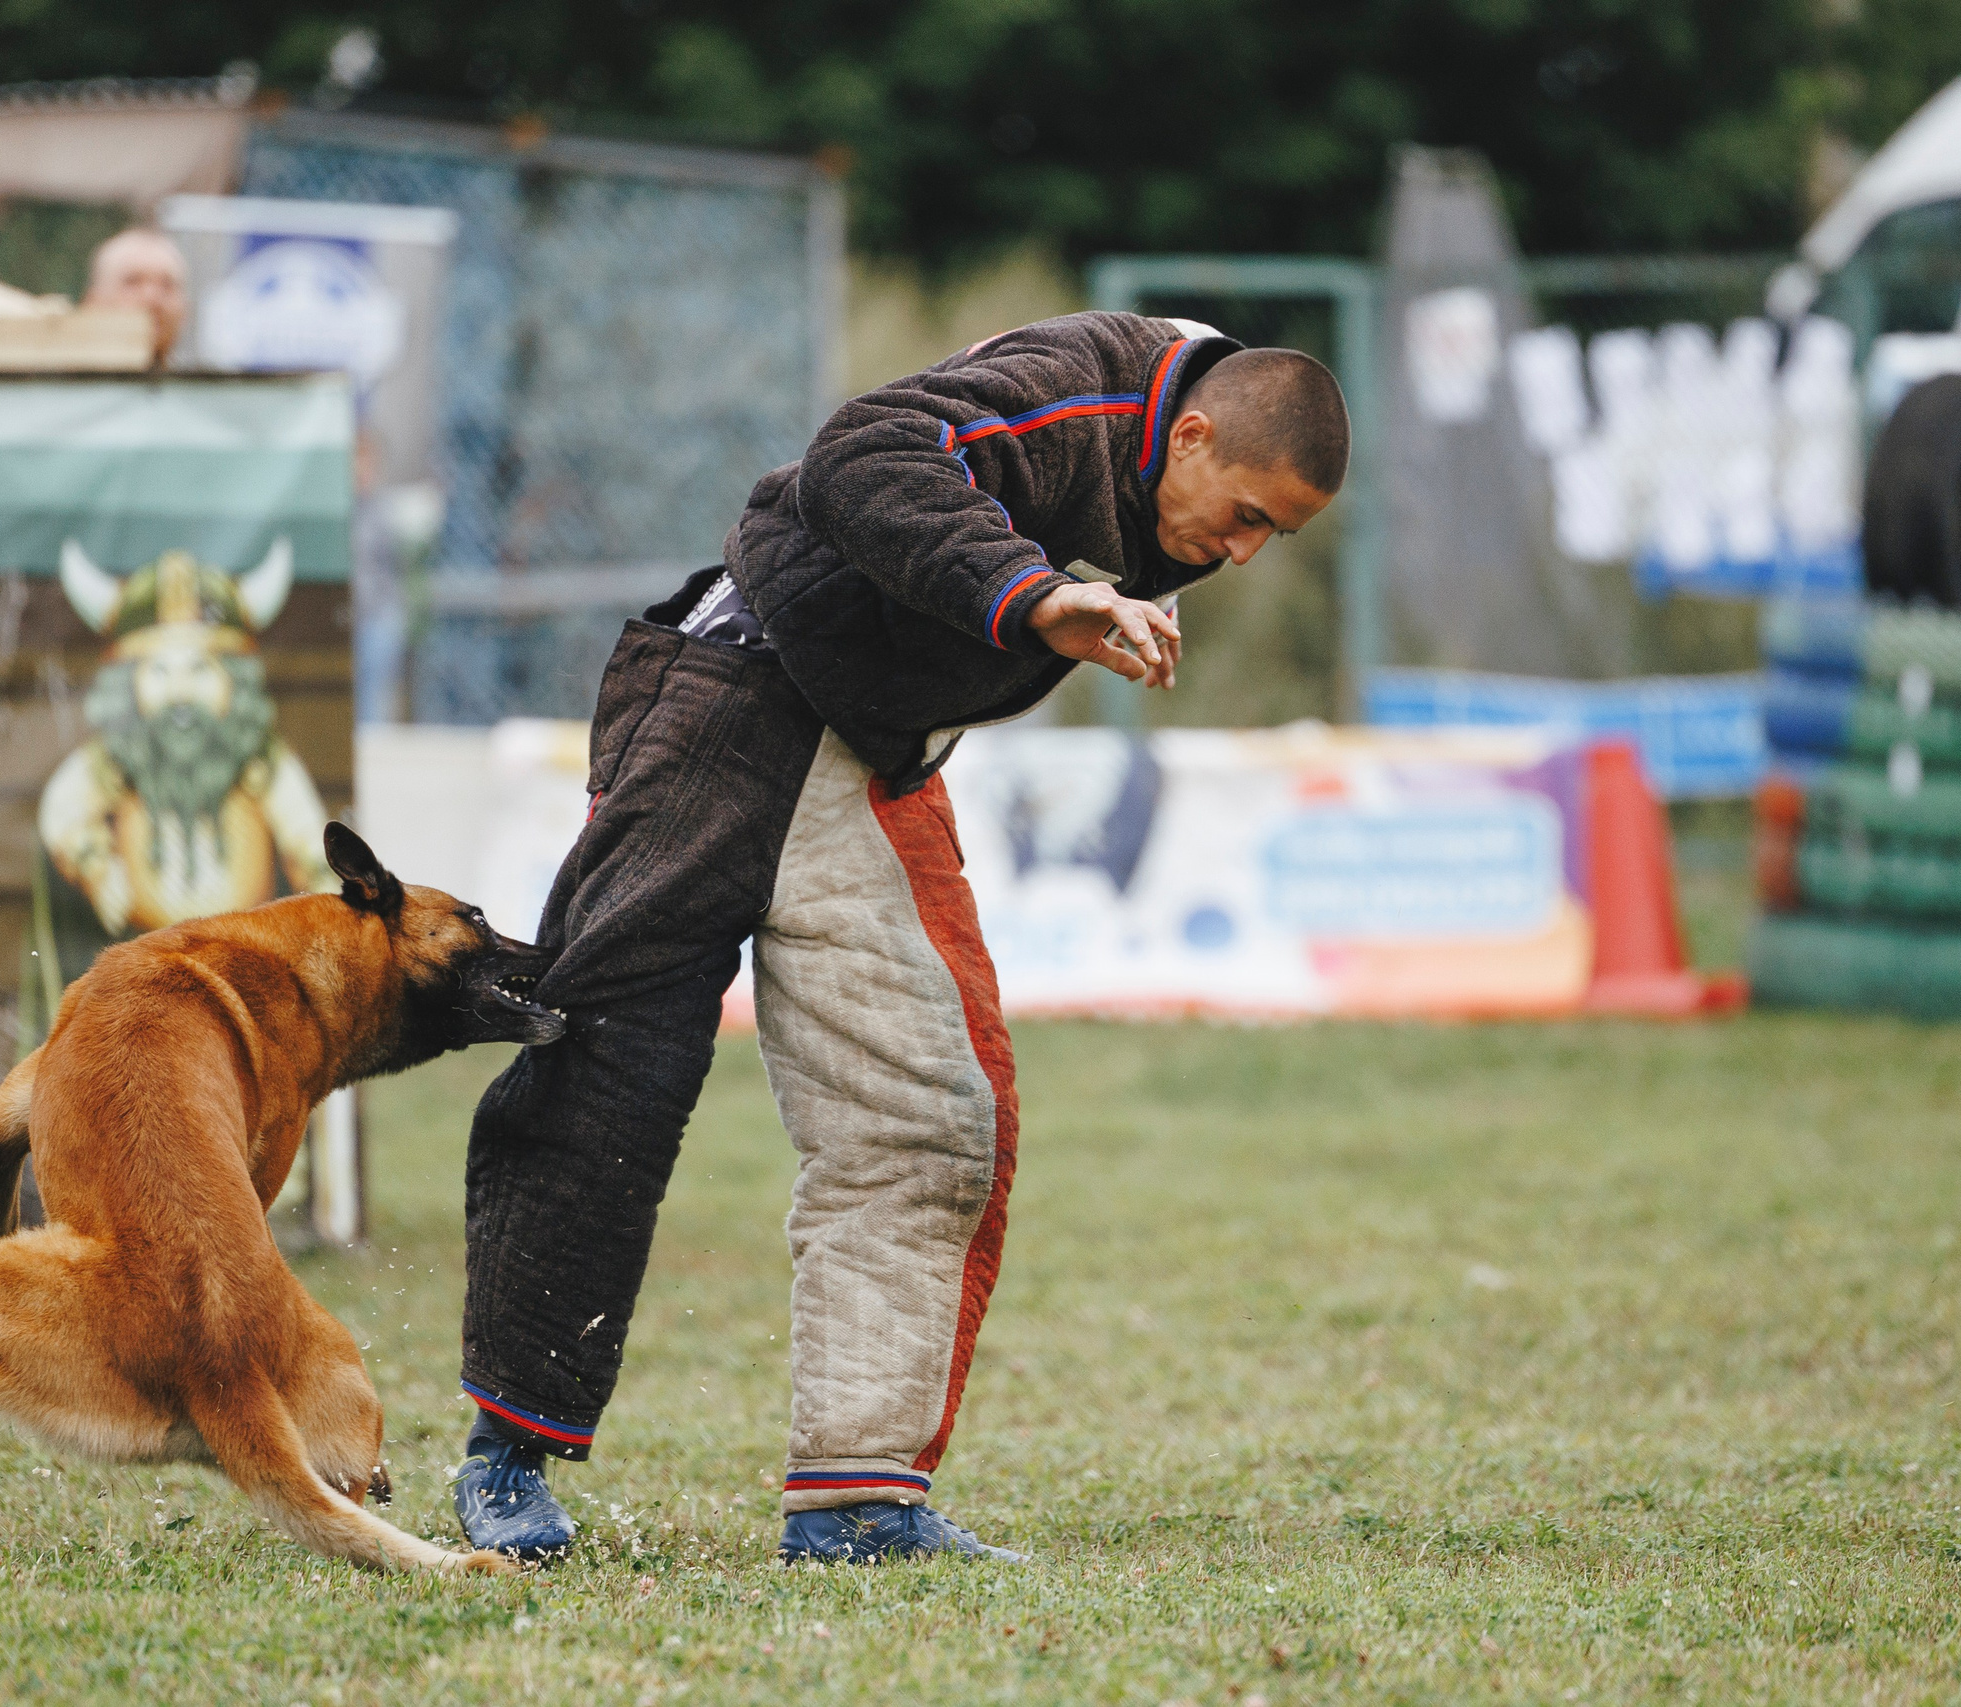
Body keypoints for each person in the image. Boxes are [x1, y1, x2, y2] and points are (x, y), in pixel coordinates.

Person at [449, 312, 1350, 1565]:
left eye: (1274, 538)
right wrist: (1036, 595)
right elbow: (863, 453)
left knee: (930, 1114)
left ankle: (857, 1501)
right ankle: (506, 1457)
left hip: (873, 764)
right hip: (725, 710)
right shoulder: (1075, 397)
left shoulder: (1171, 461)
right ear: (1188, 433)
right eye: (1248, 516)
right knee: (606, 1078)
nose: (1243, 555)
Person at [82, 228, 189, 367]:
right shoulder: (60, 386)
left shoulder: (202, 387)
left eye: (167, 284)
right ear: (92, 302)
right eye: (133, 281)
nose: (152, 297)